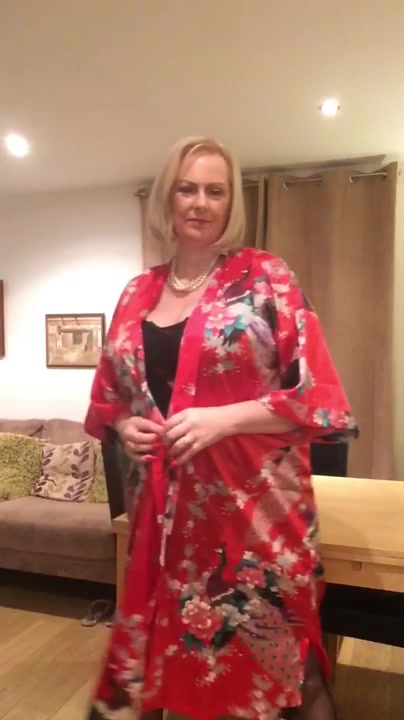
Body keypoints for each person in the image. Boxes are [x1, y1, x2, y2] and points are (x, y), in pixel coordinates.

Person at [84, 136, 358, 720]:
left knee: (290, 669)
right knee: (169, 663)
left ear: (233, 202)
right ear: (167, 197)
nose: (201, 203)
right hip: (166, 521)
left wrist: (223, 420)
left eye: (216, 190)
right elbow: (112, 396)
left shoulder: (266, 277)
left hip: (253, 516)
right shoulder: (137, 292)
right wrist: (127, 426)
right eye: (188, 189)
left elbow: (318, 395)